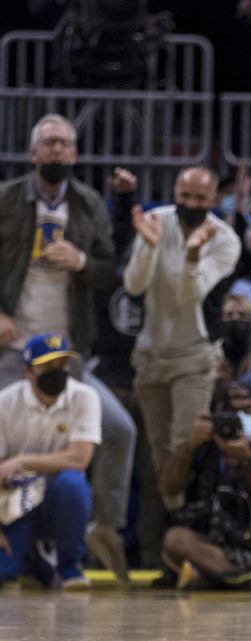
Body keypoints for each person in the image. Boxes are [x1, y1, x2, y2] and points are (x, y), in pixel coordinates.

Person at [0, 113, 135, 584]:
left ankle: (104, 528)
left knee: (119, 431)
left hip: (67, 353)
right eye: (49, 142)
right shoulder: (7, 198)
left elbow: (109, 270)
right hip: (13, 350)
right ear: (33, 152)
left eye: (65, 143)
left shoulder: (89, 203)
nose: (57, 149)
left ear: (74, 154)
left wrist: (81, 260)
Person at [125, 166, 242, 511]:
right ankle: (174, 525)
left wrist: (192, 254)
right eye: (185, 196)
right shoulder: (155, 221)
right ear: (175, 194)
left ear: (214, 199)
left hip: (194, 356)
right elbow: (134, 285)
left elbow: (190, 296)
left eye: (200, 198)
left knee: (186, 444)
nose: (191, 204)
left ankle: (190, 522)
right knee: (159, 450)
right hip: (150, 353)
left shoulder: (225, 239)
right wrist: (148, 247)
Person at [160, 381, 251, 591]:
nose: (240, 418)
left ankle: (218, 577)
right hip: (212, 545)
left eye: (247, 410)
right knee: (175, 539)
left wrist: (248, 461)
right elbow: (168, 488)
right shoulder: (205, 446)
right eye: (233, 412)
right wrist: (190, 446)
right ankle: (250, 580)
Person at [0, 334, 100, 589]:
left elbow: (79, 459)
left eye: (62, 364)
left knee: (73, 483)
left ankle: (69, 566)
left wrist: (22, 460)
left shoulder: (85, 397)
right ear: (28, 371)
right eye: (47, 366)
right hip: (15, 500)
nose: (57, 371)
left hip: (59, 497)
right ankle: (31, 560)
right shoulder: (5, 403)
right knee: (3, 572)